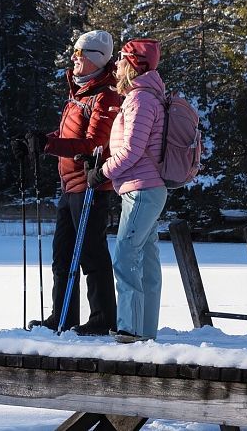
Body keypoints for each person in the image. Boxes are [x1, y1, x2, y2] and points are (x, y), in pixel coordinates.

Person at [15, 30, 122, 335]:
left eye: (81, 53)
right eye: (75, 52)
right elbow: (67, 138)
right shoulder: (80, 94)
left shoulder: (106, 95)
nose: (75, 58)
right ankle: (62, 316)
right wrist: (35, 143)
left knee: (91, 254)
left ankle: (103, 318)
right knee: (62, 254)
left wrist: (49, 146)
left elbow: (94, 145)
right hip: (69, 187)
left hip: (91, 187)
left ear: (97, 59)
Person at [87, 38, 168, 344]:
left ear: (133, 65)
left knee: (125, 254)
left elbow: (132, 151)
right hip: (144, 188)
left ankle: (130, 329)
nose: (116, 64)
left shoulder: (141, 100)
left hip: (142, 189)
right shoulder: (143, 97)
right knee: (146, 259)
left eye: (122, 59)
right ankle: (144, 330)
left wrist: (101, 173)